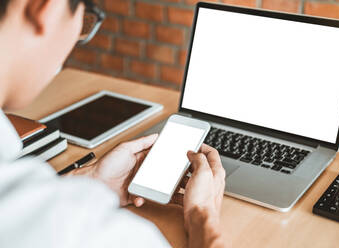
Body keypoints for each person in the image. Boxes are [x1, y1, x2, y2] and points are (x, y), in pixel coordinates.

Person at [0, 0, 227, 247]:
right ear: (47, 7)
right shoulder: (76, 229)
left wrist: (92, 179)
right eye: (86, 16)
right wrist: (203, 216)